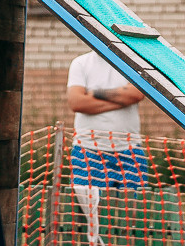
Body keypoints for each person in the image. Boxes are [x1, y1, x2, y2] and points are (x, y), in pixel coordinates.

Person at [66, 50, 148, 246]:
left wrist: (95, 94)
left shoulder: (132, 62)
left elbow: (137, 94)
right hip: (87, 151)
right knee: (92, 217)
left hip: (130, 150)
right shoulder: (81, 63)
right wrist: (120, 99)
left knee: (133, 218)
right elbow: (77, 102)